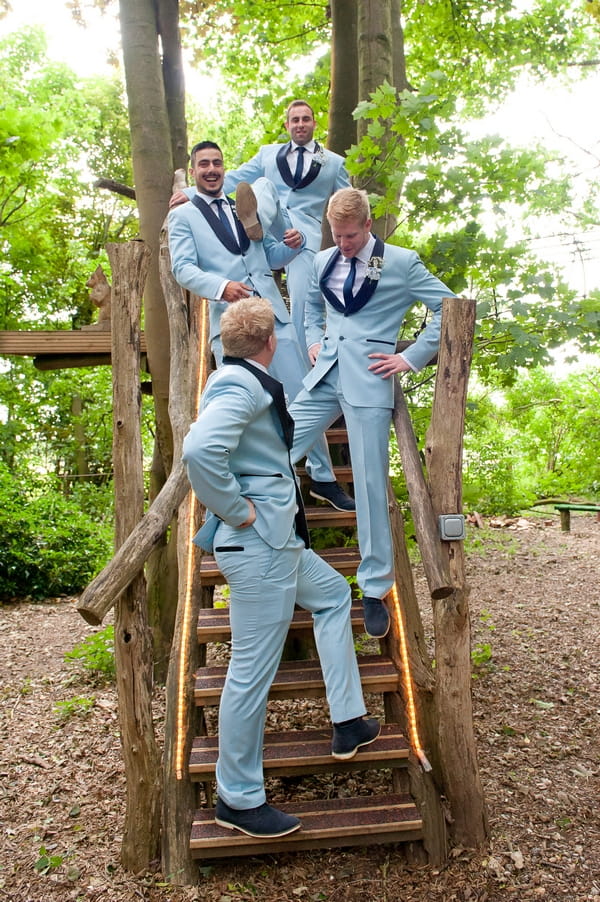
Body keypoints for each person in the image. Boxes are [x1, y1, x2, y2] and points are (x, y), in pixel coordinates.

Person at [182, 297, 380, 839]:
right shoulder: (239, 384)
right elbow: (200, 450)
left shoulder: (242, 376)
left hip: (280, 545)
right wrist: (235, 507)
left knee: (335, 597)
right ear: (271, 342)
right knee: (250, 675)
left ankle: (347, 721)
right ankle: (238, 799)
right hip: (259, 546)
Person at [289, 187, 456, 640]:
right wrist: (311, 340)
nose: (342, 243)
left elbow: (451, 307)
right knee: (277, 447)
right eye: (336, 235)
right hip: (325, 376)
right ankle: (274, 552)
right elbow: (307, 311)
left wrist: (412, 356)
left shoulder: (400, 263)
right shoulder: (323, 261)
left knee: (367, 485)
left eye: (350, 236)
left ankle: (375, 586)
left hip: (370, 383)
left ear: (367, 225)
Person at [168, 140, 353, 512]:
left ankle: (322, 477)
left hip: (272, 314)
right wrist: (223, 287)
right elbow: (183, 269)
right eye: (203, 164)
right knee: (246, 402)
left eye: (217, 163)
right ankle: (255, 481)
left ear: (224, 168)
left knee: (308, 391)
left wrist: (295, 245)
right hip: (232, 323)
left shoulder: (241, 206)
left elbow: (269, 255)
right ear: (193, 171)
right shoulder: (182, 216)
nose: (211, 169)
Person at [222, 99, 351, 342]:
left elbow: (347, 204)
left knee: (303, 307)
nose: (300, 124)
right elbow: (235, 179)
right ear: (287, 125)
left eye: (305, 119)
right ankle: (254, 222)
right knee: (263, 185)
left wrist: (347, 249)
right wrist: (191, 194)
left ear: (314, 123)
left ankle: (304, 373)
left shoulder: (333, 162)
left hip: (304, 240)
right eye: (295, 120)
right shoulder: (267, 154)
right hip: (271, 227)